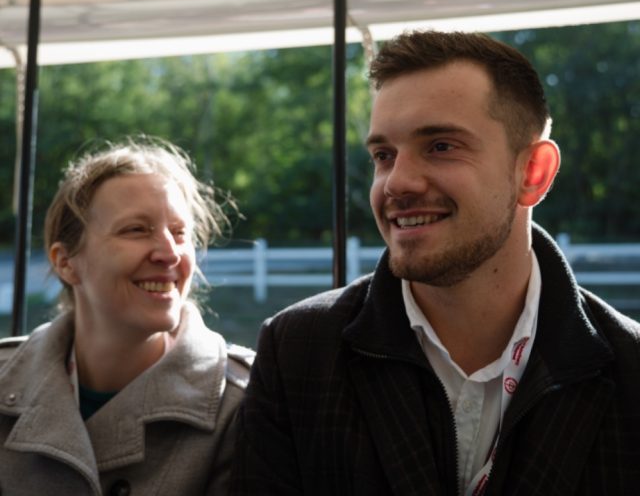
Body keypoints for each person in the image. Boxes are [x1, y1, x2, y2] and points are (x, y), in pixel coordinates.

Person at [233, 30, 640, 495]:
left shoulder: (631, 370)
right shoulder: (298, 352)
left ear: (533, 172)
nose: (396, 183)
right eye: (383, 155)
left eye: (441, 146)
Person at [0, 137, 251, 495]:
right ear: (65, 262)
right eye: (136, 230)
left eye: (180, 233)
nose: (170, 253)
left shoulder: (243, 404)